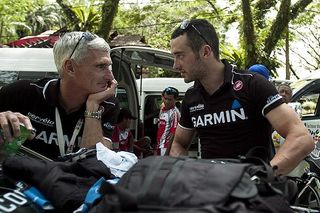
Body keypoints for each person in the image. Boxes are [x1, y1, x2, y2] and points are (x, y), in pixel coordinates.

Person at [169, 19, 314, 175]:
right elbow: (179, 143)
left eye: (180, 56)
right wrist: (185, 175)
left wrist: (263, 177)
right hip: (212, 192)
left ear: (205, 52)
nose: (175, 65)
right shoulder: (192, 97)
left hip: (254, 194)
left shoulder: (252, 84)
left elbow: (301, 138)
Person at [0, 31, 119, 160]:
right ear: (70, 67)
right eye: (101, 66)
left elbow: (96, 164)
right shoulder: (23, 92)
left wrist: (93, 107)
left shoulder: (108, 103)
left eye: (109, 66)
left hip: (67, 180)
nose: (110, 77)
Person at [156, 87, 181, 156]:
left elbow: (174, 133)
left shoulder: (175, 113)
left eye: (170, 100)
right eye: (165, 98)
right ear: (162, 97)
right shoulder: (162, 109)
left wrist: (167, 152)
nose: (167, 101)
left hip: (166, 147)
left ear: (175, 100)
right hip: (160, 145)